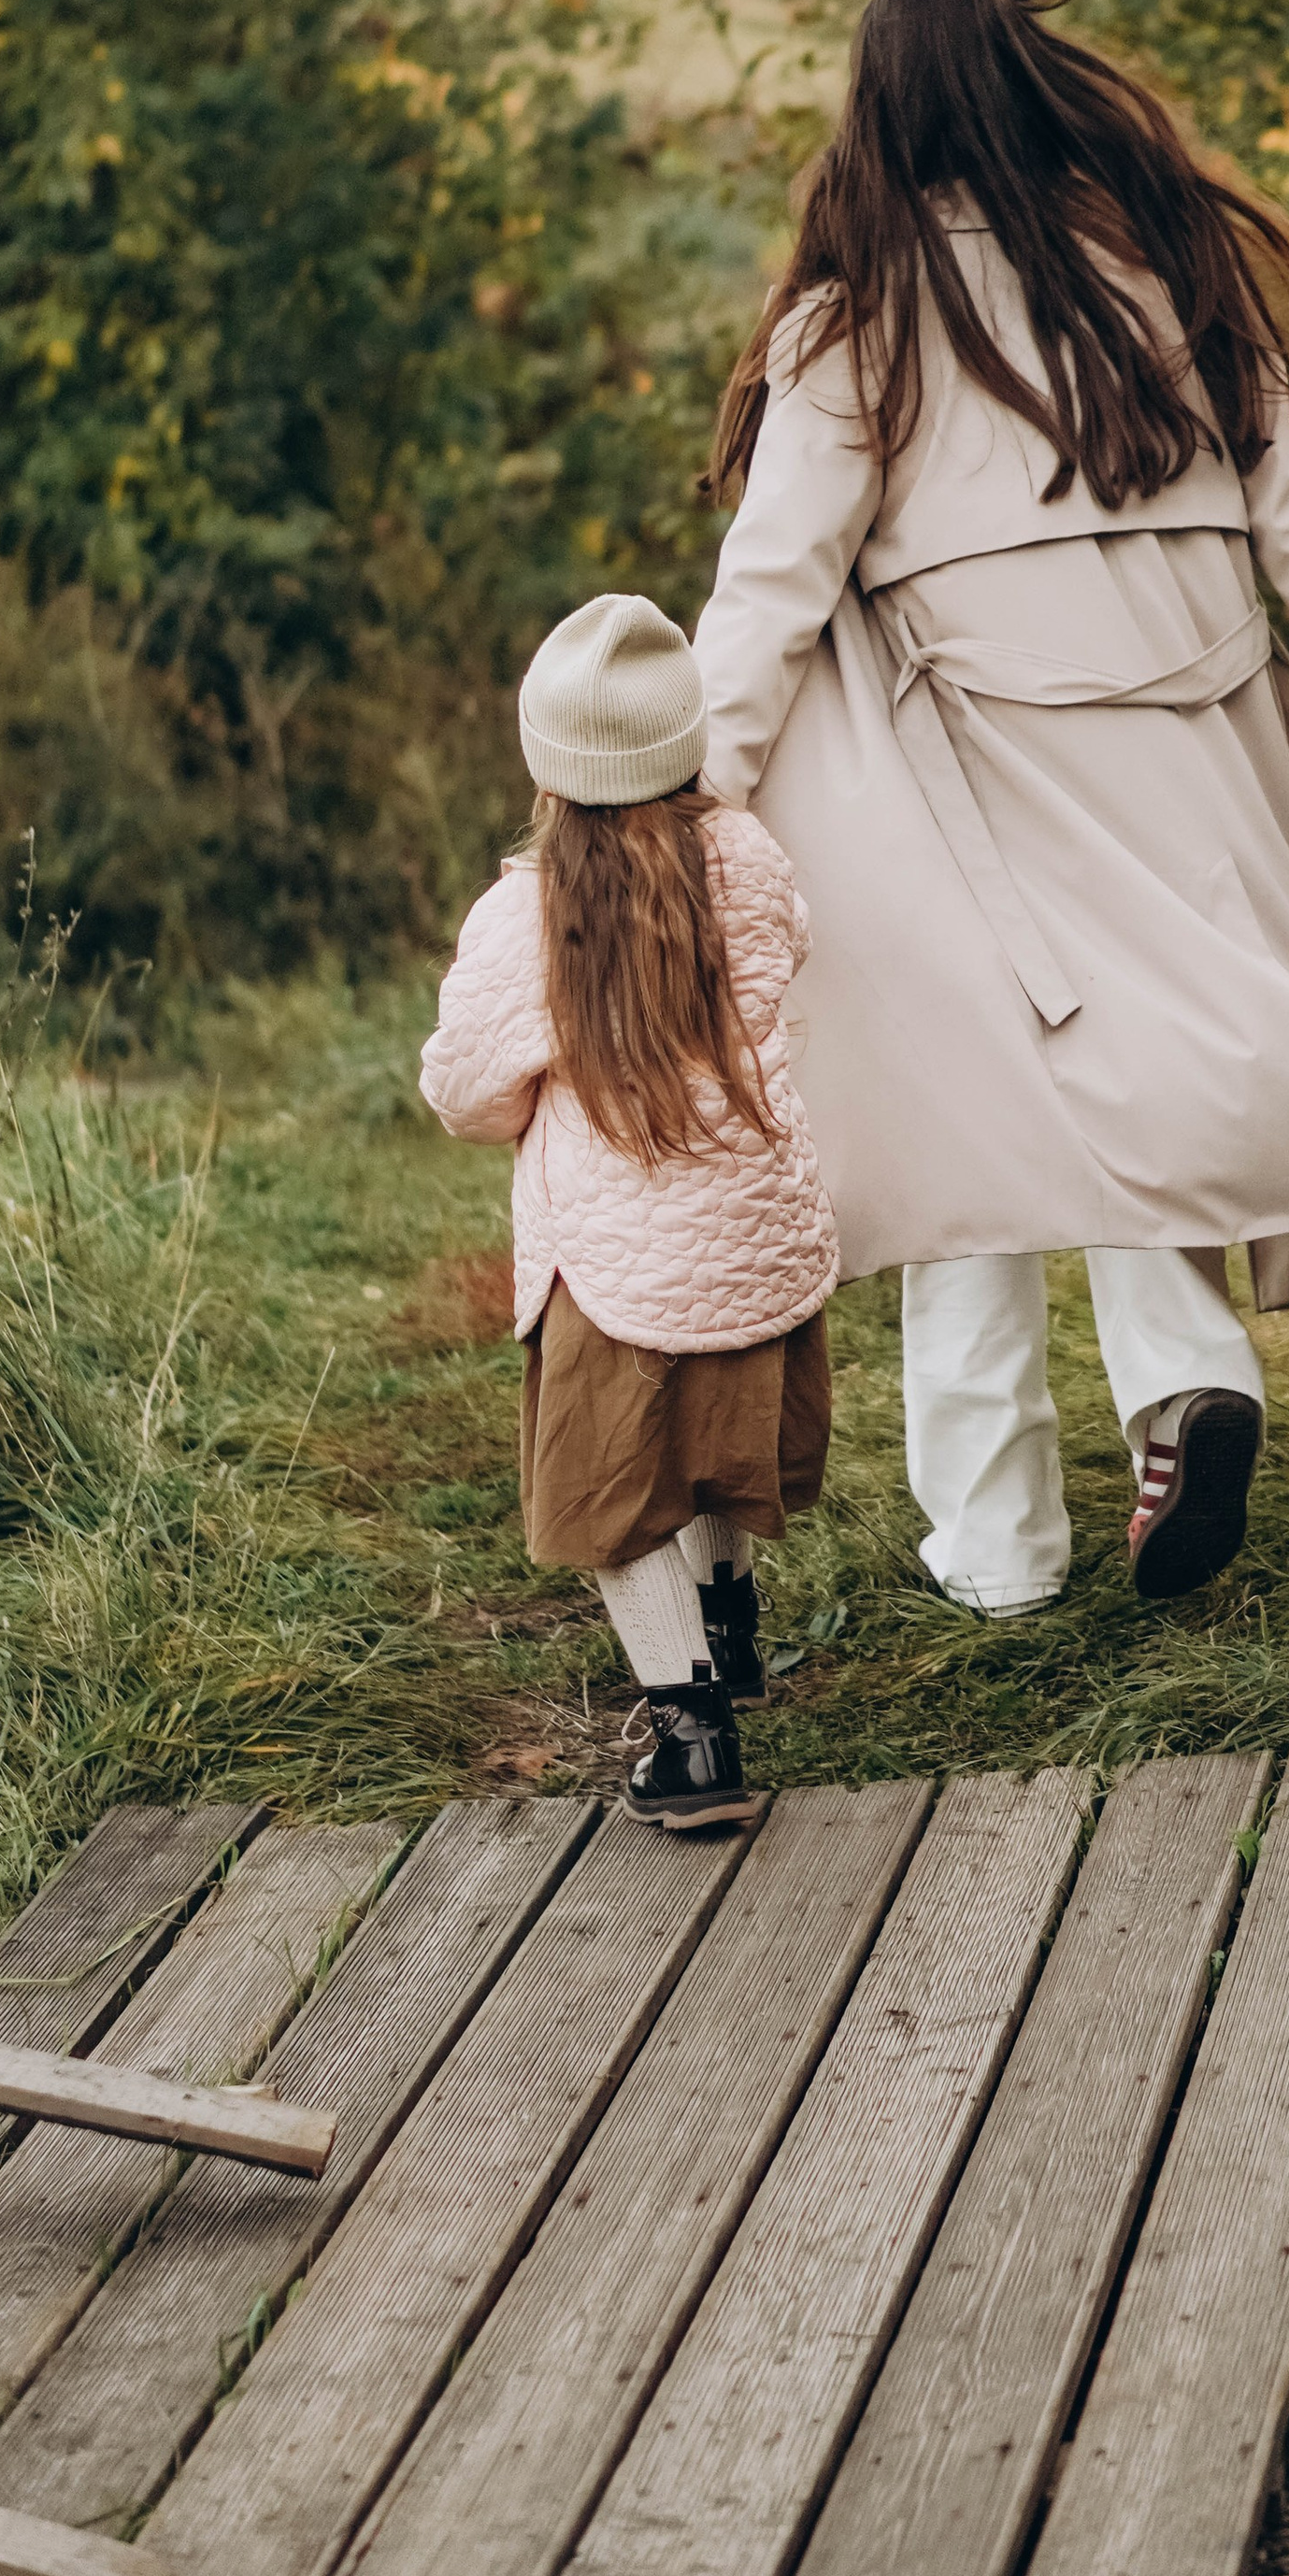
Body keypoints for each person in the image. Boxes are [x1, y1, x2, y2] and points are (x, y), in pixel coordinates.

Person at [692, 0, 1289, 1615]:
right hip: (1197, 763)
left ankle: (994, 1549)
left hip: (964, 786)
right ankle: (1184, 1388)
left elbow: (770, 589)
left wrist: (689, 797)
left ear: (880, 117)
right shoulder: (1169, 281)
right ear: (1029, 83)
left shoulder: (857, 328)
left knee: (963, 1153)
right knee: (1153, 1107)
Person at [419, 593, 838, 1825]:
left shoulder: (532, 916)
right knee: (712, 1445)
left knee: (621, 1496)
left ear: (549, 765)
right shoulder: (748, 858)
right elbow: (790, 949)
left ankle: (693, 1735)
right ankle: (731, 1630)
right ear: (685, 745)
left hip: (616, 1266)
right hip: (756, 1232)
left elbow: (463, 1090)